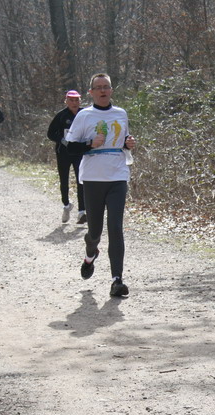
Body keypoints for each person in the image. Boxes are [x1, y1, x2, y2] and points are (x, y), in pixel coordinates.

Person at [65, 73, 136, 297]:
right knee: (94, 232)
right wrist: (89, 143)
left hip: (117, 176)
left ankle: (117, 280)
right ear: (91, 92)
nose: (103, 90)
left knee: (115, 227)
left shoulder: (120, 113)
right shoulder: (84, 116)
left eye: (106, 87)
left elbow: (123, 141)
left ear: (111, 90)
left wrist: (128, 143)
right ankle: (90, 254)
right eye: (99, 87)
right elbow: (70, 147)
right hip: (93, 178)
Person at [47, 89, 86, 224]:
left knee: (81, 180)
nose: (74, 103)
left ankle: (82, 211)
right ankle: (66, 205)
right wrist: (62, 140)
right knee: (64, 180)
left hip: (79, 152)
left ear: (80, 101)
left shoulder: (85, 114)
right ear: (66, 101)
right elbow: (50, 133)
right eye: (71, 100)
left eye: (76, 100)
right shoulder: (61, 116)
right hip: (63, 153)